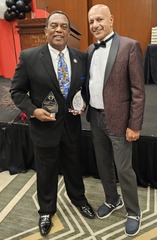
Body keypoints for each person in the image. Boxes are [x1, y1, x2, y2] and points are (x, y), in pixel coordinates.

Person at [10, 10, 95, 237]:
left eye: (64, 26)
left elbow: (83, 89)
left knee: (73, 167)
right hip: (44, 127)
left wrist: (84, 102)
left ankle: (79, 199)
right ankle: (46, 210)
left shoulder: (81, 57)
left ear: (68, 32)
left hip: (72, 126)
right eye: (54, 25)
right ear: (45, 30)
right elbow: (17, 91)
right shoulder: (29, 57)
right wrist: (33, 111)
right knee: (46, 171)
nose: (59, 30)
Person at [86, 4, 145, 237]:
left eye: (99, 19)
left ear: (111, 19)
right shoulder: (90, 49)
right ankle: (112, 200)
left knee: (124, 168)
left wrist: (135, 124)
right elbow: (90, 83)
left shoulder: (129, 46)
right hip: (95, 116)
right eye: (91, 21)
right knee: (103, 164)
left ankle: (133, 211)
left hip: (120, 120)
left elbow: (138, 91)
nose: (95, 25)